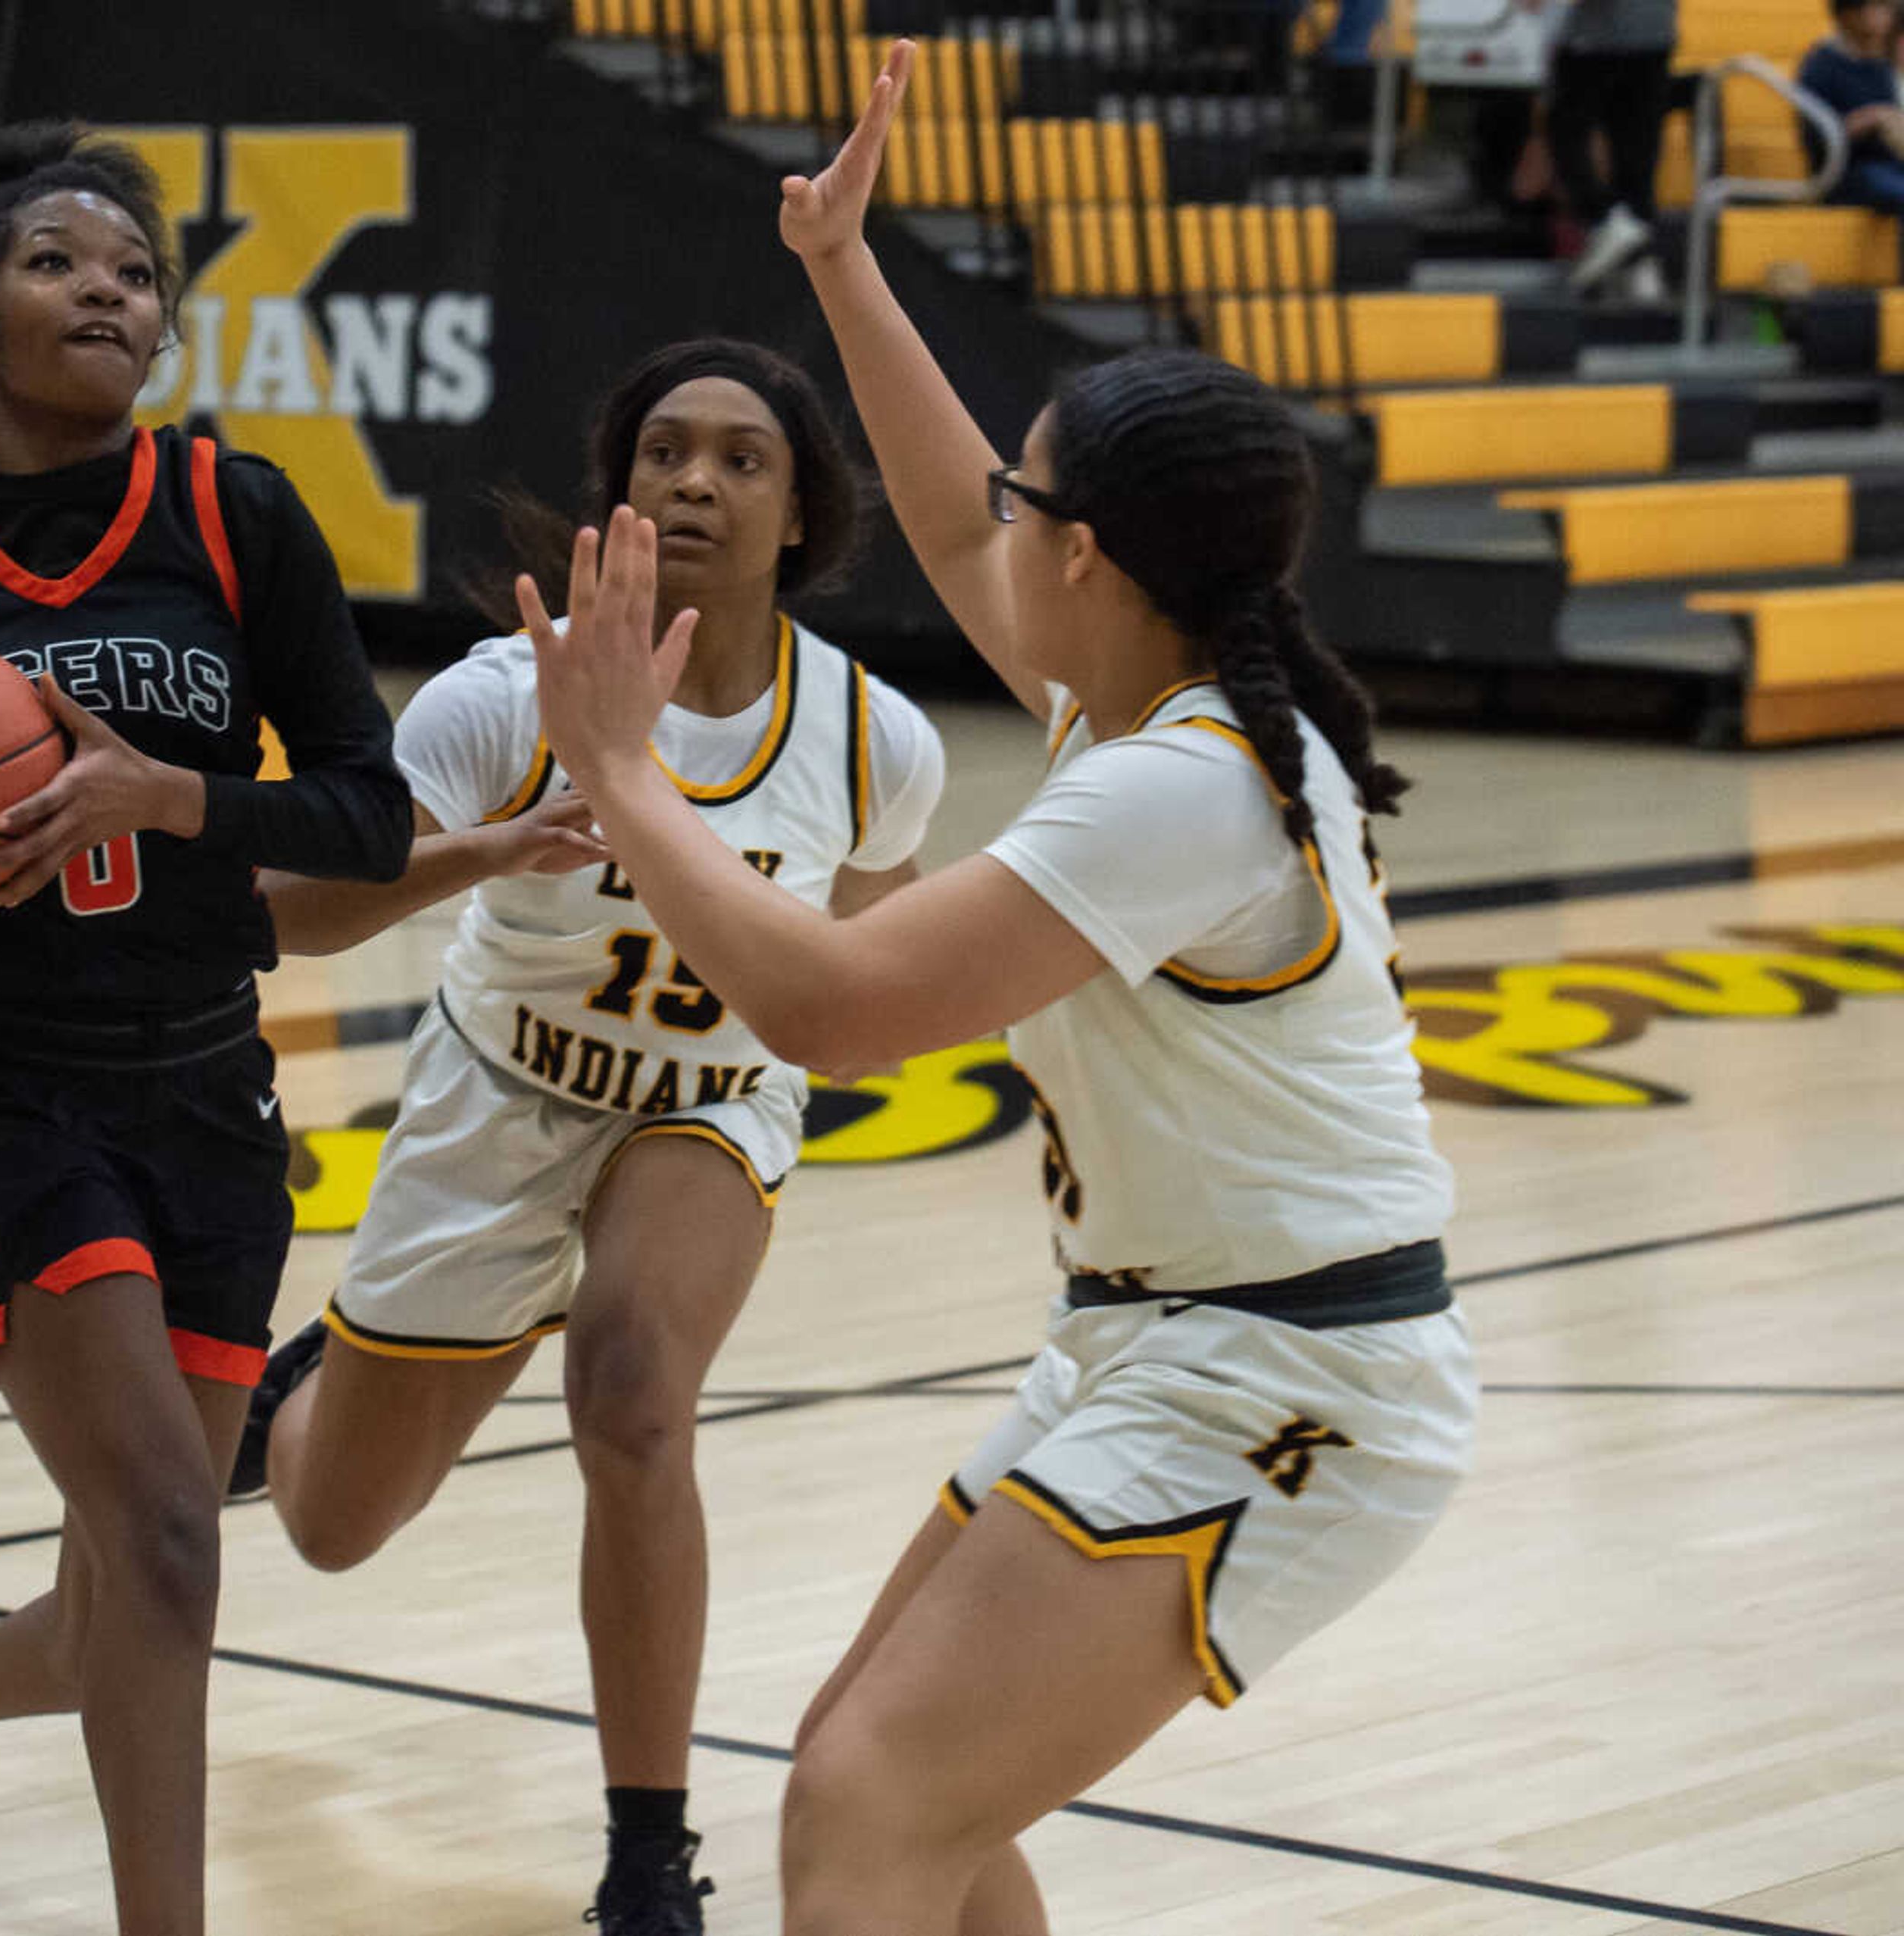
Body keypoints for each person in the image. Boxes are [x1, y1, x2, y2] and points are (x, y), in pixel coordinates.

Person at [521, 45, 1476, 1933]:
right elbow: (964, 527)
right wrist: (839, 263)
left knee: (868, 1805)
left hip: (1290, 1369)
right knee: (881, 1796)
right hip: (1159, 1337)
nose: (991, 519)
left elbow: (830, 1006)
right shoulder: (1152, 699)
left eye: (1032, 502)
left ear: (1097, 559)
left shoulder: (1180, 789)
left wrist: (626, 775)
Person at [0, 124, 411, 1936]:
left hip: (212, 1082)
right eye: (59, 262)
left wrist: (174, 797)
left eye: (135, 272)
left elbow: (364, 816)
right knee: (177, 1543)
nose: (107, 288)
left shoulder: (233, 516)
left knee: (144, 1590)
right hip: (13, 1088)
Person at [230, 338, 947, 1936]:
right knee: (333, 1528)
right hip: (505, 1093)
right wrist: (481, 852)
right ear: (618, 493)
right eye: (664, 453)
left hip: (707, 1106)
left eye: (740, 459)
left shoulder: (874, 741)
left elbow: (871, 967)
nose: (694, 480)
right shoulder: (505, 695)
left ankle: (646, 1858)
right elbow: (296, 919)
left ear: (798, 513)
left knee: (632, 1394)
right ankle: (302, 1398)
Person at [1547, 0, 1681, 299]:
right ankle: (1642, 262)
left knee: (1567, 132)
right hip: (1655, 33)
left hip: (1598, 38)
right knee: (1636, 152)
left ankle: (1604, 218)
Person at [1796, 0, 1904, 217]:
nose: (1883, 17)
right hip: (1849, 173)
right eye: (1876, 8)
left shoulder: (1888, 62)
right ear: (1848, 15)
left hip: (1892, 164)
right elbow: (1818, 139)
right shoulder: (1822, 66)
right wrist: (1871, 120)